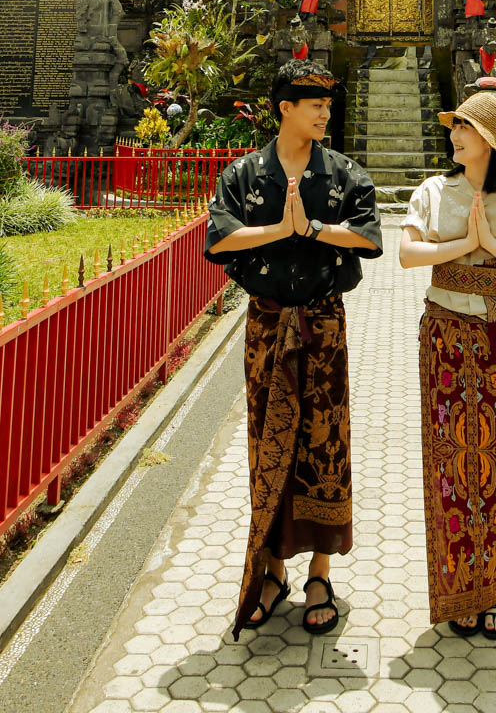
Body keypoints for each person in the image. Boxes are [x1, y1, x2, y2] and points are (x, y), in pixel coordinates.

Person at [205, 60, 383, 638]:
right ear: (285, 108)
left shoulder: (347, 174)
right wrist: (280, 230)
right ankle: (273, 567)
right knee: (268, 438)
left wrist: (311, 230)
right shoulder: (242, 174)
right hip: (267, 322)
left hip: (324, 322)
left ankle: (320, 573)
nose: (325, 114)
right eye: (315, 105)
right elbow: (220, 237)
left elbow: (368, 237)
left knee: (326, 440)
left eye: (329, 105)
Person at [399, 91, 496, 639]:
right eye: (454, 126)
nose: (454, 135)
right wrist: (463, 244)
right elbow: (407, 254)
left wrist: (491, 242)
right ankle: (456, 583)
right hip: (445, 333)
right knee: (449, 463)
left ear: (489, 140)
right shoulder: (433, 192)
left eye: (464, 127)